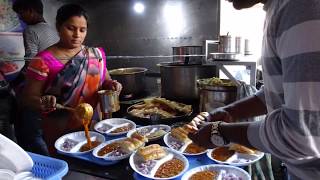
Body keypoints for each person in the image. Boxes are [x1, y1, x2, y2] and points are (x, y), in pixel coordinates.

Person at [189, 0, 320, 179]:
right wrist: (231, 111)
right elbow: (278, 92)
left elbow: (301, 135)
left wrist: (220, 132)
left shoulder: (301, 9)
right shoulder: (279, 9)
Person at [20, 4, 122, 154]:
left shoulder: (95, 54)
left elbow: (105, 80)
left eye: (82, 30)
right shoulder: (42, 61)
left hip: (95, 125)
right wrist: (43, 101)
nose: (77, 35)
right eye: (71, 28)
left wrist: (113, 85)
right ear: (58, 27)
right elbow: (27, 99)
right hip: (62, 132)